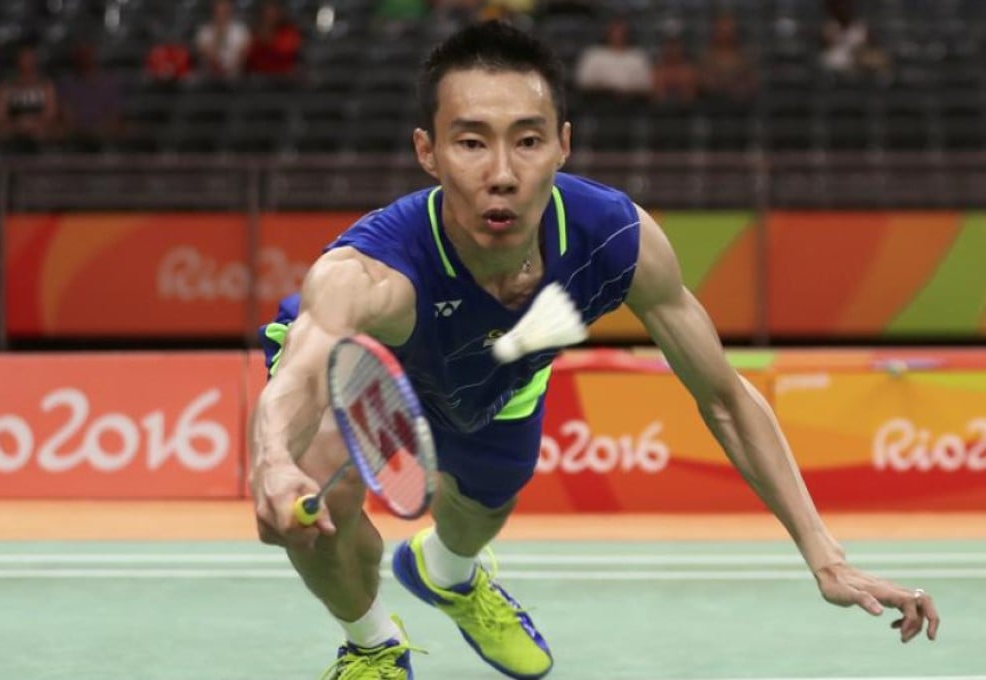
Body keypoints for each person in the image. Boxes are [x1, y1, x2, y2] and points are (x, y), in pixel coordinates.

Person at [250, 20, 940, 680]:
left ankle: (447, 574)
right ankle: (372, 643)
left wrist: (826, 556)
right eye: (471, 142)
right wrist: (274, 462)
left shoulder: (613, 240)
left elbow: (725, 397)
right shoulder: (371, 272)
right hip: (360, 375)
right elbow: (306, 370)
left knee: (479, 512)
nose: (502, 173)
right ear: (427, 152)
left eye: (527, 141)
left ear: (563, 145)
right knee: (320, 500)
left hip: (496, 377)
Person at [0, 44, 58, 152]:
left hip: (40, 127)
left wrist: (34, 124)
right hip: (12, 127)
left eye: (30, 58)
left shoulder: (46, 85)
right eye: (23, 58)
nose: (26, 62)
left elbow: (50, 113)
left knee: (47, 133)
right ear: (17, 61)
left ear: (35, 61)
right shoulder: (6, 86)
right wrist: (17, 125)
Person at [195, 0, 250, 80]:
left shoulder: (241, 31)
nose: (221, 10)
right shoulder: (204, 32)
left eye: (225, 6)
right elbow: (205, 55)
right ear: (213, 9)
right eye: (219, 6)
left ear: (230, 8)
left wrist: (229, 67)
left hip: (235, 79)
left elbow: (242, 57)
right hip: (209, 79)